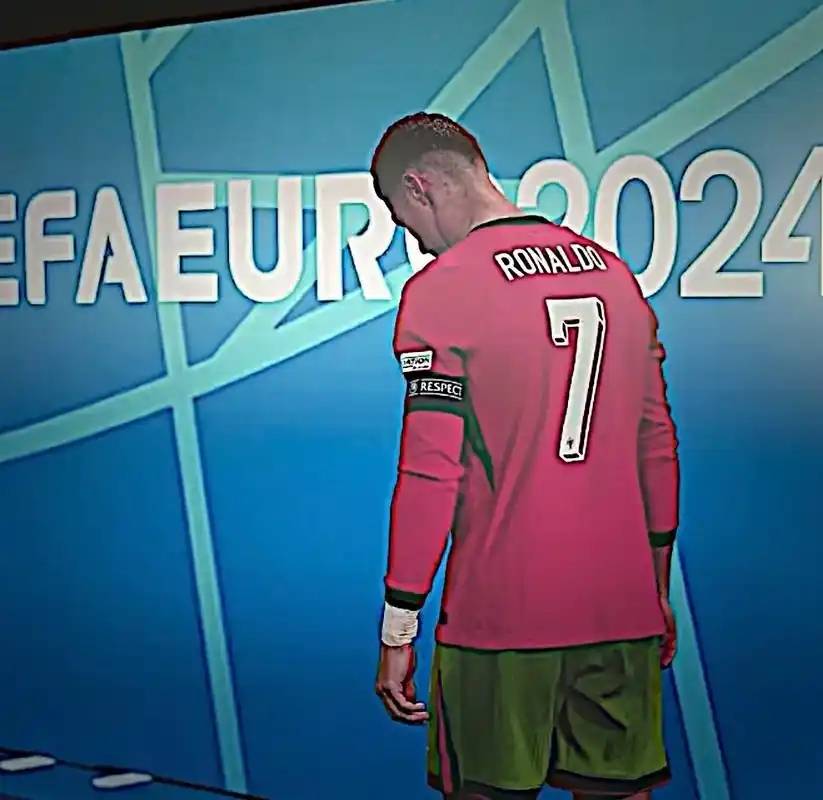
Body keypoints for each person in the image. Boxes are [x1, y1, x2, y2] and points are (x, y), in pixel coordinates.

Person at [370, 112, 679, 800]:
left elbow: (430, 471)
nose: (413, 240)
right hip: (621, 612)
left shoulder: (441, 290)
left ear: (419, 187)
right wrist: (655, 589)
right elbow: (656, 443)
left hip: (499, 621)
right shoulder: (615, 276)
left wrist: (398, 625)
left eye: (401, 217)